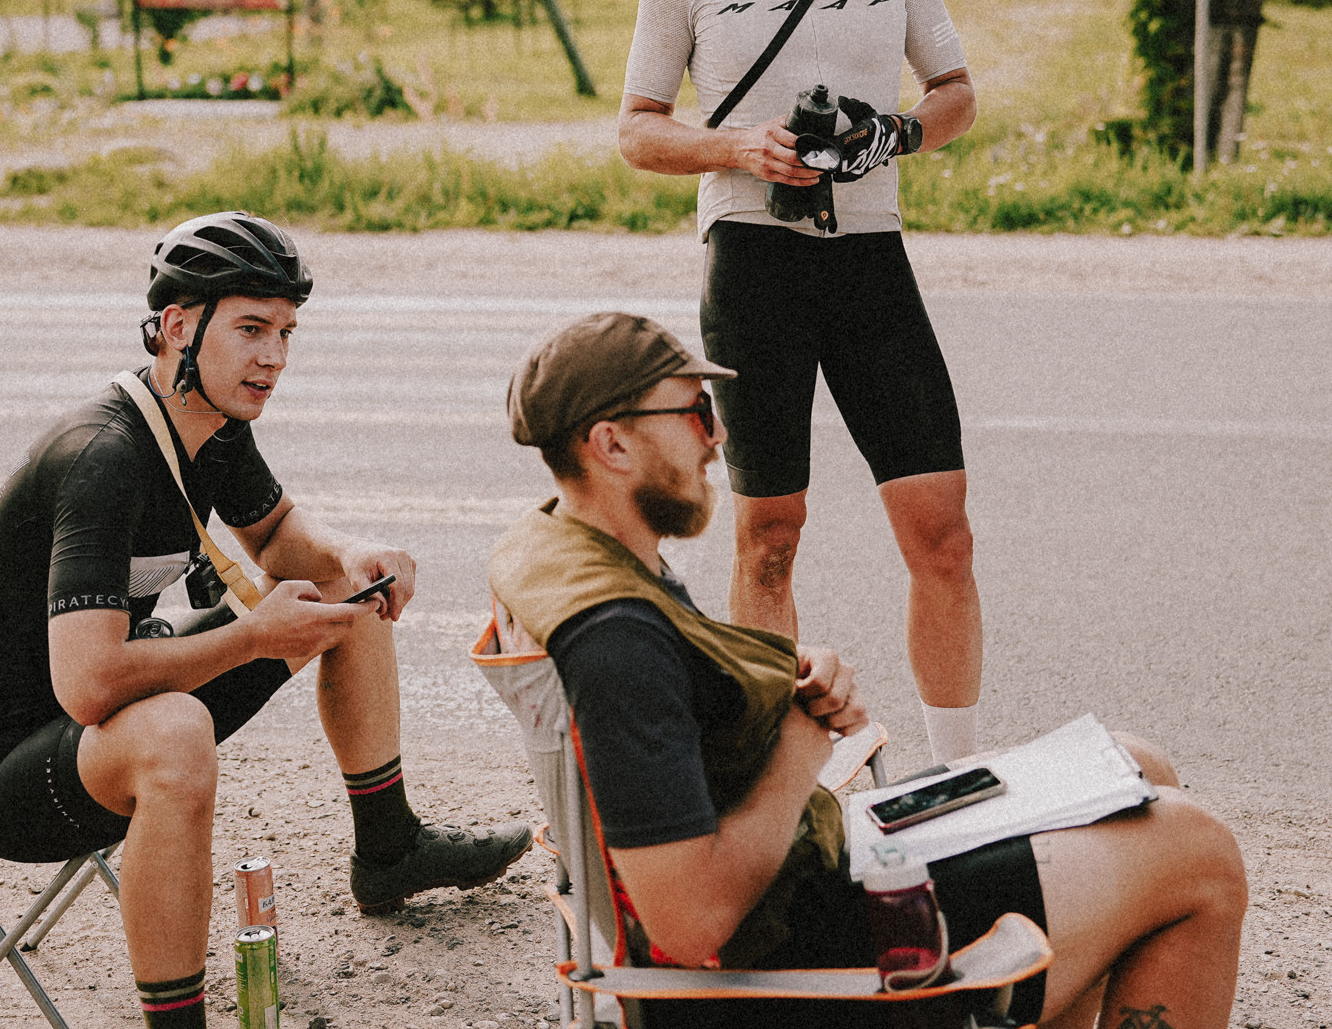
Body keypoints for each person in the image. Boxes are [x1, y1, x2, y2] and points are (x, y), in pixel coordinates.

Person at [489, 313, 1248, 1029]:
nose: (717, 437)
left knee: (1131, 764)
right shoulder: (616, 641)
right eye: (694, 413)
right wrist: (798, 747)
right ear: (611, 445)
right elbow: (688, 923)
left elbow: (686, 694)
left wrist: (779, 678)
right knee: (1197, 854)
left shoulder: (563, 542)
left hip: (807, 870)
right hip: (793, 954)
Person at [0, 211, 531, 1029]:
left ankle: (389, 849)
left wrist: (353, 557)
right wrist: (251, 637)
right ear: (178, 326)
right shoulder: (102, 458)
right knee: (176, 730)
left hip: (107, 723)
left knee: (341, 604)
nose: (274, 358)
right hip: (2, 769)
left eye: (285, 331)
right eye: (251, 329)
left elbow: (279, 537)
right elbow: (87, 682)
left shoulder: (211, 425)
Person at [616, 0, 986, 764]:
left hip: (870, 260)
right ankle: (784, 779)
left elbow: (956, 93)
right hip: (754, 261)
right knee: (768, 534)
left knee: (942, 533)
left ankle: (955, 770)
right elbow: (638, 127)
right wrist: (740, 145)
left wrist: (896, 133)